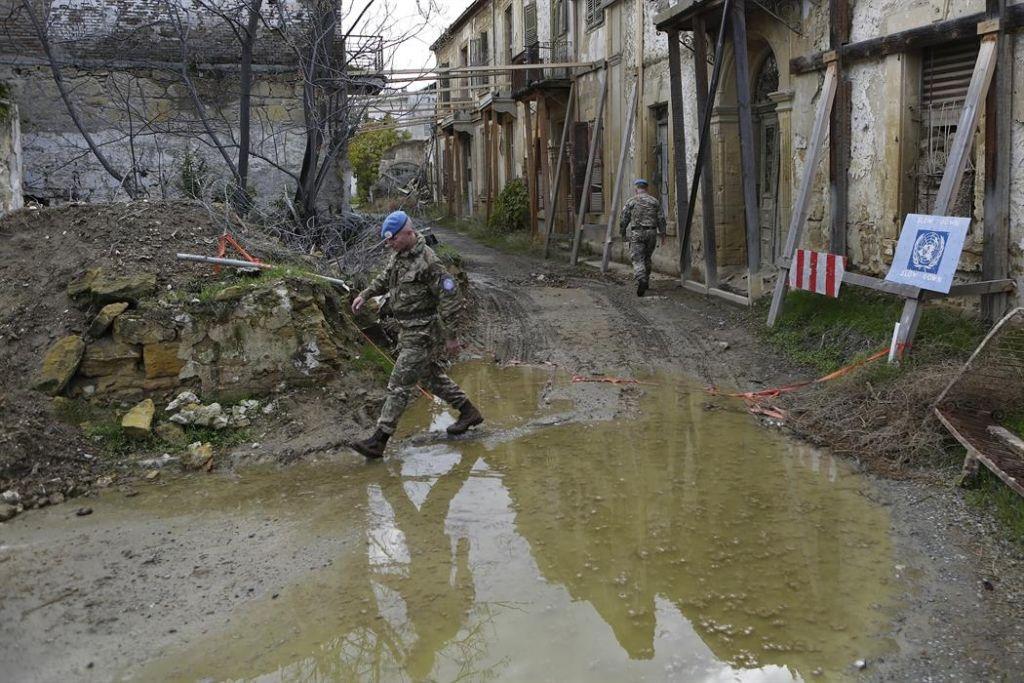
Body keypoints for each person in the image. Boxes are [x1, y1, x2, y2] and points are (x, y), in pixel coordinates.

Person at [348, 211, 484, 459]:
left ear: (408, 233)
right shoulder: (399, 255)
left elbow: (450, 298)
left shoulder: (429, 262)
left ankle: (379, 440)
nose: (389, 244)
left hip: (422, 332)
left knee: (399, 384)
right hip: (407, 329)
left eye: (393, 239)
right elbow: (385, 278)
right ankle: (468, 412)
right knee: (430, 378)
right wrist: (365, 294)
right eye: (388, 240)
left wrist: (451, 336)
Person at [619, 179, 666, 297]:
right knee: (647, 257)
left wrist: (623, 232)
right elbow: (661, 218)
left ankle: (641, 278)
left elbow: (624, 218)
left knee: (637, 258)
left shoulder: (631, 201)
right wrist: (663, 233)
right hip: (651, 233)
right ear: (647, 188)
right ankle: (646, 281)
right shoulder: (654, 201)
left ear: (636, 188)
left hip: (637, 233)